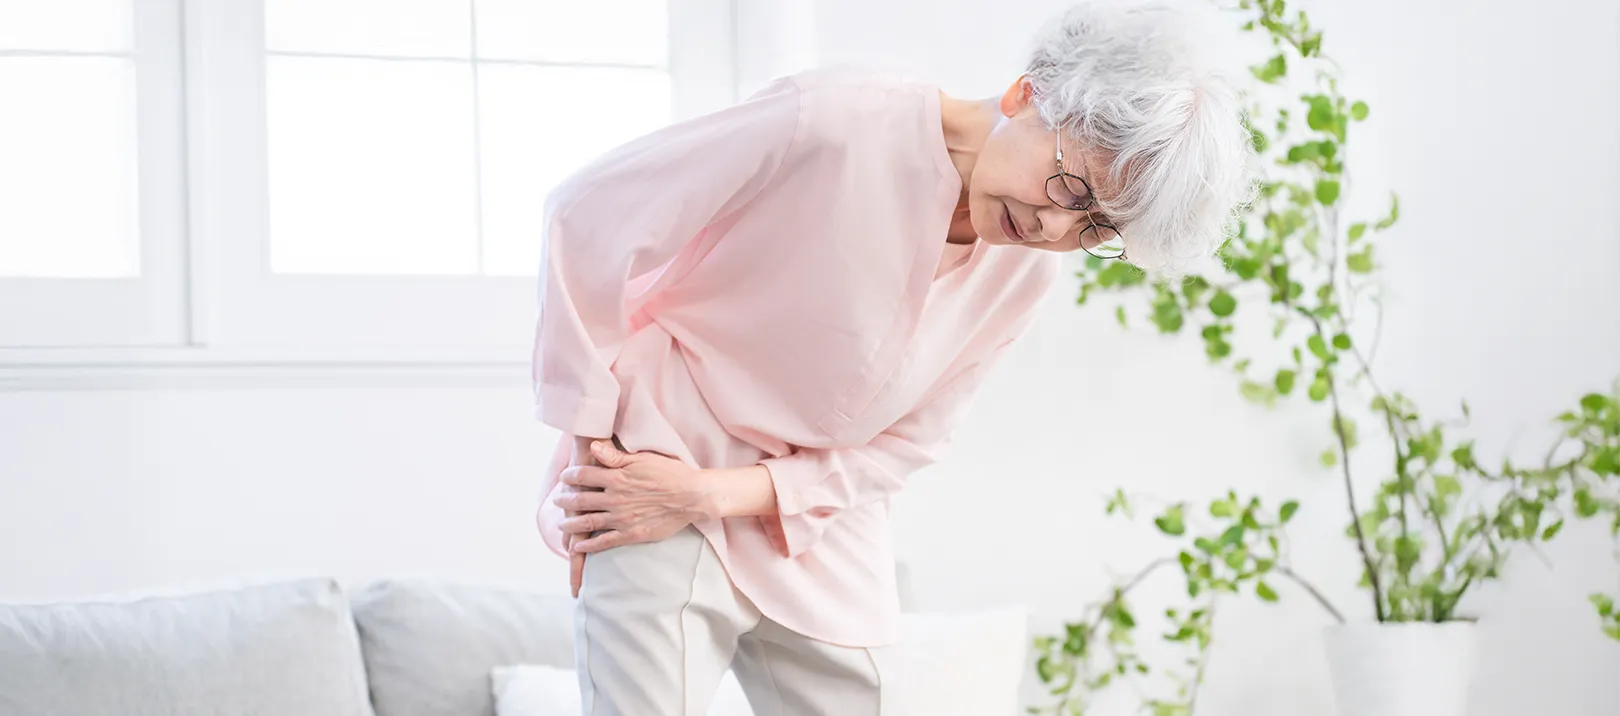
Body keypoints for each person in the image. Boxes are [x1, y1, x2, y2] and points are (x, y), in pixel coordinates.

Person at [529, 0, 1252, 712]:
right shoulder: (834, 118)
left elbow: (909, 444)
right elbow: (588, 217)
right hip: (660, 459)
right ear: (1028, 93)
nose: (1053, 226)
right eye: (1070, 185)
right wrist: (594, 446)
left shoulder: (1027, 274)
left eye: (1096, 228)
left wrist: (720, 495)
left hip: (815, 520)